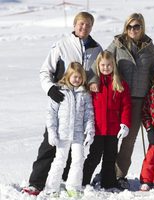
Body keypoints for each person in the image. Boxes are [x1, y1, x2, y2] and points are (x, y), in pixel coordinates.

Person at [23, 11, 102, 196]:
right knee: (50, 144)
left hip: (82, 102)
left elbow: (97, 75)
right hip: (62, 101)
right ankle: (36, 183)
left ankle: (67, 183)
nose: (84, 27)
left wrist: (94, 83)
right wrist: (50, 89)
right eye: (81, 24)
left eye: (88, 25)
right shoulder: (62, 44)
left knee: (75, 152)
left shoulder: (96, 48)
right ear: (74, 25)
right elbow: (45, 70)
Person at [104, 13, 154, 189]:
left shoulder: (149, 48)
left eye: (136, 26)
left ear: (142, 27)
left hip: (137, 100)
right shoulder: (117, 44)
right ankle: (106, 173)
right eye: (129, 27)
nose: (133, 30)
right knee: (111, 138)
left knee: (128, 140)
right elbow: (102, 63)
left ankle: (119, 175)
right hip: (117, 97)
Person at [40, 62, 95, 198]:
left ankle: (73, 186)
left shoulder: (84, 93)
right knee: (60, 159)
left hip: (78, 134)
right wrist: (51, 132)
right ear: (68, 76)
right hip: (62, 133)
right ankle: (52, 187)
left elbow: (89, 115)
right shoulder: (59, 91)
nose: (77, 80)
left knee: (78, 159)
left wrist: (89, 132)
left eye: (79, 77)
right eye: (74, 77)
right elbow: (51, 114)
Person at [82, 51, 132, 189]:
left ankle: (108, 183)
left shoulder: (120, 84)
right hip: (97, 128)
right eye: (103, 65)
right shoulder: (93, 84)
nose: (106, 67)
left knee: (110, 157)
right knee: (94, 157)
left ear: (113, 65)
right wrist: (87, 127)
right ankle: (83, 181)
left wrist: (125, 124)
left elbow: (126, 106)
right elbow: (87, 107)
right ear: (98, 65)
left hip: (113, 129)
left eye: (109, 65)